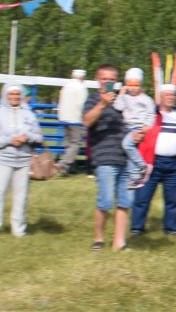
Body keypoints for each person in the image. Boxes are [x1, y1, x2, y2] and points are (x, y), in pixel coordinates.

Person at [80, 63, 132, 251]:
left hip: (126, 157)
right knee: (106, 200)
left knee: (125, 200)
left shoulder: (123, 100)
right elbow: (86, 121)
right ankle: (99, 239)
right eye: (104, 79)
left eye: (112, 79)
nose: (108, 82)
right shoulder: (93, 99)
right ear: (97, 80)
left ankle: (119, 242)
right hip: (104, 157)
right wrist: (103, 104)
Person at [0, 83, 42, 237]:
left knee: (21, 195)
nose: (14, 97)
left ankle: (19, 229)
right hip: (2, 159)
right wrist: (9, 140)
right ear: (5, 95)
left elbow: (39, 136)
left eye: (17, 94)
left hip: (24, 160)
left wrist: (27, 137)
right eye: (11, 94)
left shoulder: (29, 114)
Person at [131, 86, 176, 238]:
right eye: (167, 95)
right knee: (142, 197)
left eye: (173, 95)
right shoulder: (151, 115)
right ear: (161, 97)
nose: (171, 97)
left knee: (172, 199)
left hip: (173, 164)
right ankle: (137, 227)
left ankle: (171, 227)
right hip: (152, 162)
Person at [113, 68, 155, 190]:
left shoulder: (146, 99)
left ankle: (143, 166)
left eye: (136, 85)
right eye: (130, 85)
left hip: (138, 127)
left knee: (127, 145)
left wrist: (146, 127)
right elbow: (118, 107)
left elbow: (151, 114)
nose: (133, 88)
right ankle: (135, 178)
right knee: (130, 153)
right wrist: (121, 94)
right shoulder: (125, 97)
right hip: (127, 127)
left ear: (140, 85)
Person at [55, 69, 88, 174]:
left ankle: (69, 168)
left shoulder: (66, 86)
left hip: (64, 118)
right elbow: (82, 104)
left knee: (69, 143)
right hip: (76, 119)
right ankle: (64, 163)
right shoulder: (81, 88)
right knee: (75, 143)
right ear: (82, 77)